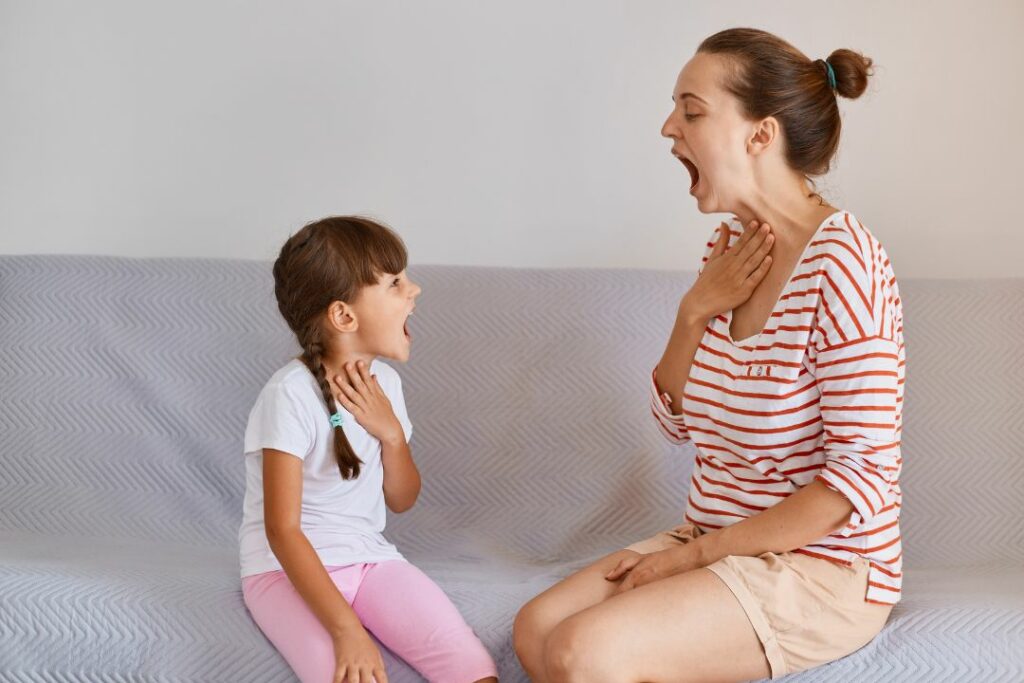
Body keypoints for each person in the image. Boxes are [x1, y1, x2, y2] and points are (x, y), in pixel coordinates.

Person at [514, 28, 903, 682]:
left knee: (584, 651)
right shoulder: (728, 248)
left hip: (823, 566)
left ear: (760, 135)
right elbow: (677, 425)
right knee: (537, 629)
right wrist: (693, 310)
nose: (669, 128)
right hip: (715, 540)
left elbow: (854, 481)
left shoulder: (845, 262)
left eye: (692, 111)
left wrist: (695, 560)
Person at [239, 216, 499, 683]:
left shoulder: (389, 387)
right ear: (344, 316)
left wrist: (392, 436)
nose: (414, 290)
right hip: (282, 572)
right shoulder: (290, 395)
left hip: (369, 560)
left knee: (472, 666)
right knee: (342, 673)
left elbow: (400, 500)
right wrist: (346, 630)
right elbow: (282, 530)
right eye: (395, 282)